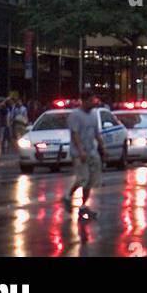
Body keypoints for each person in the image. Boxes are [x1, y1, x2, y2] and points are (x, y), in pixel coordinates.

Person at [64, 89, 105, 221]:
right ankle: (68, 197)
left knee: (91, 181)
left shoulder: (94, 114)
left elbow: (96, 132)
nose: (94, 102)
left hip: (92, 151)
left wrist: (102, 147)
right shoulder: (75, 115)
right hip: (78, 153)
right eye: (91, 100)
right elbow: (75, 134)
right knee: (83, 179)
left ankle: (82, 206)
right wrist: (80, 151)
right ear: (84, 101)